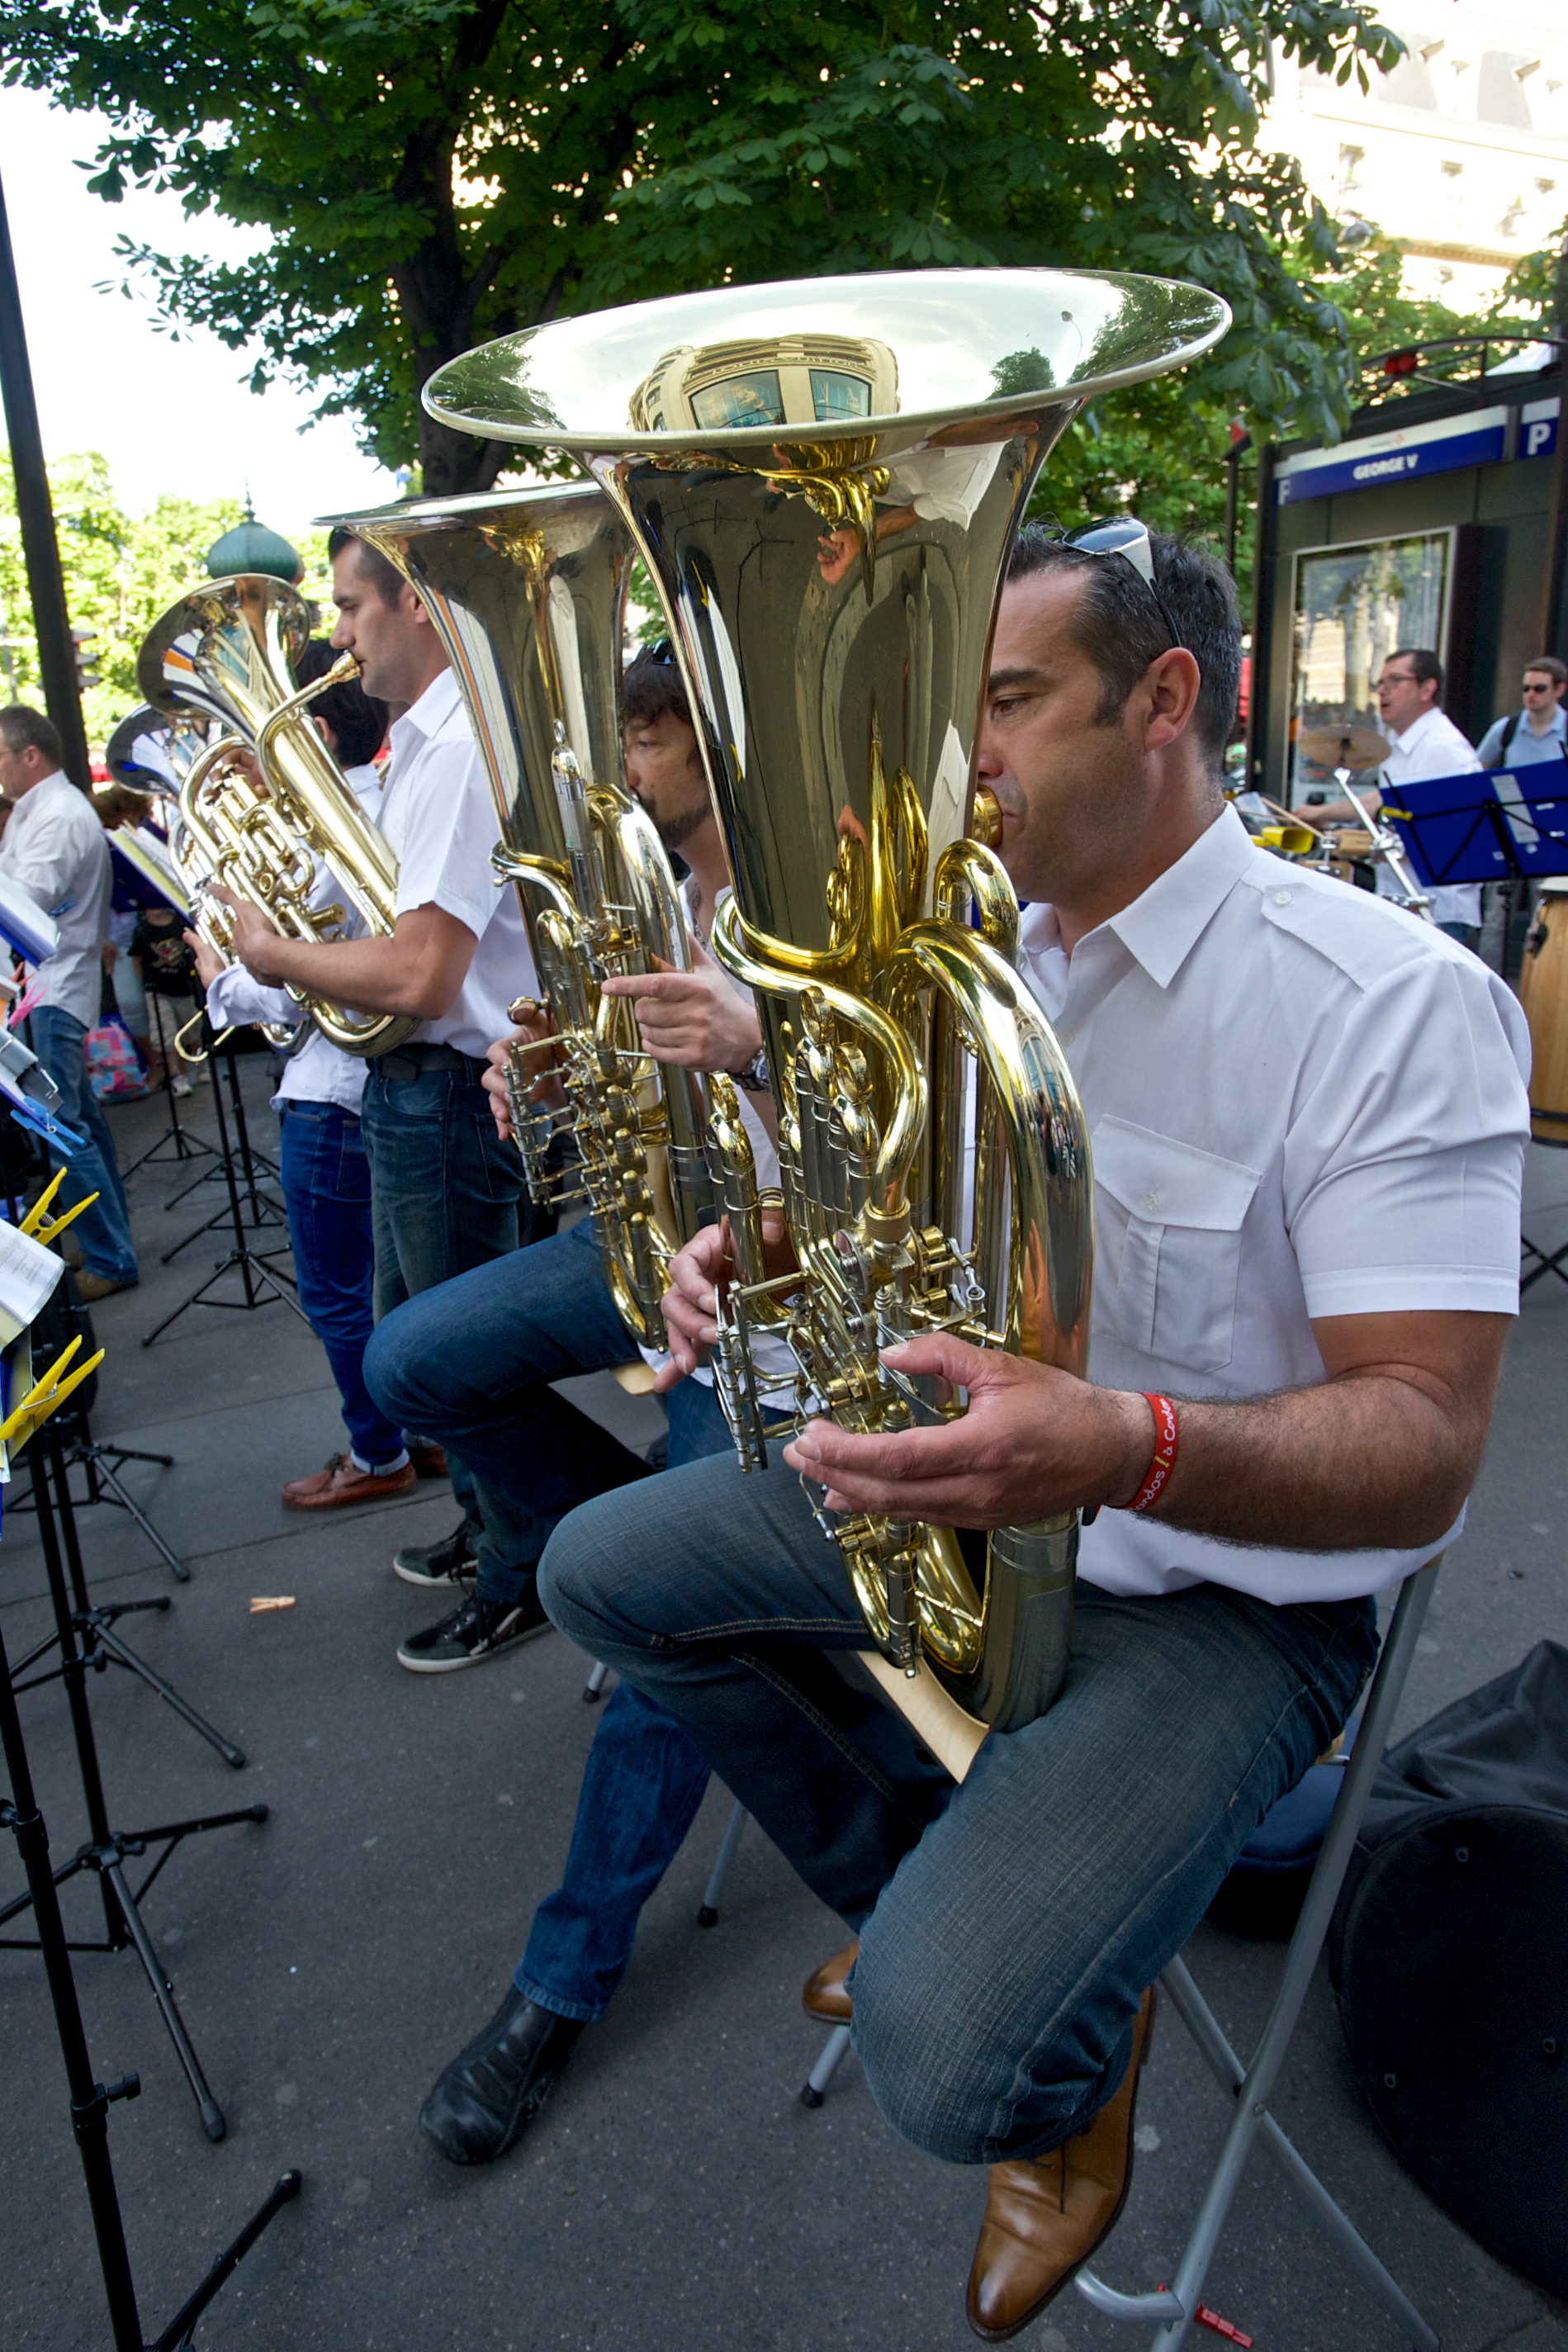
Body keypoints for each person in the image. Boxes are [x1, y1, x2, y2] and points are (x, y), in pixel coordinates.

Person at [534, 529, 1529, 2340]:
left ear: (1165, 704)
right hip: (1003, 1508)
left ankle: (1061, 2025)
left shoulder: (1382, 998)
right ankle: (969, 1884)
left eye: (1001, 703)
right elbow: (918, 1221)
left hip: (1228, 1598)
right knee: (598, 1569)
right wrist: (738, 1249)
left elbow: (1424, 1441)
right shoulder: (988, 953)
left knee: (942, 2060)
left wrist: (1120, 1445)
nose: (950, 761)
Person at [362, 647, 783, 2154]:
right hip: (647, 1236)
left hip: (770, 1276)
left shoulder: (805, 884)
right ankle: (603, 1574)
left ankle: (560, 1981)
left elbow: (896, 1113)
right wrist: (539, 1065)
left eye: (633, 738)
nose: (616, 769)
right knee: (405, 1361)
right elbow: (618, 1064)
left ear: (685, 739)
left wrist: (760, 1040)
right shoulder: (664, 884)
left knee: (670, 1577)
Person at [219, 529, 552, 1604]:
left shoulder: (455, 749)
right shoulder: (421, 742)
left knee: (441, 1361)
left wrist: (272, 953)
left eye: (353, 606)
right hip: (412, 1089)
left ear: (416, 604)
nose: (336, 632)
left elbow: (416, 971)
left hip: (448, 1089)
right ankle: (491, 1526)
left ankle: (520, 1564)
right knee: (414, 1354)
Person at [191, 645, 417, 1508]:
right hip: (382, 1088)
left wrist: (223, 972)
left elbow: (303, 989)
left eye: (263, 743)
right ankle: (416, 1431)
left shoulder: (325, 840)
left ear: (311, 732)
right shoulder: (391, 804)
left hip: (329, 1096)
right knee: (396, 1290)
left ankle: (377, 1450)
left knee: (334, 1296)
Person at [0, 705, 140, 1300]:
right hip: (51, 988)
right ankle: (110, 1235)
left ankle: (110, 1255)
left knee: (59, 1126)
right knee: (76, 1121)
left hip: (50, 989)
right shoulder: (46, 811)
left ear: (30, 755)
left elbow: (23, 906)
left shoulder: (55, 815)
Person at [1306, 647, 1481, 939]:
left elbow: (1452, 840)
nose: (1382, 691)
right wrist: (1319, 815)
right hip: (1403, 903)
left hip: (1435, 912)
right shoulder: (1401, 745)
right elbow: (1385, 800)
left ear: (1427, 688)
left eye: (1395, 681)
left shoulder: (1443, 748)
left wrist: (1369, 846)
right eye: (1380, 684)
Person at [1476, 654, 1568, 770]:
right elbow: (1475, 772)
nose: (1530, 694)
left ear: (1559, 690)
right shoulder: (1505, 729)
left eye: (1539, 689)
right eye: (1526, 689)